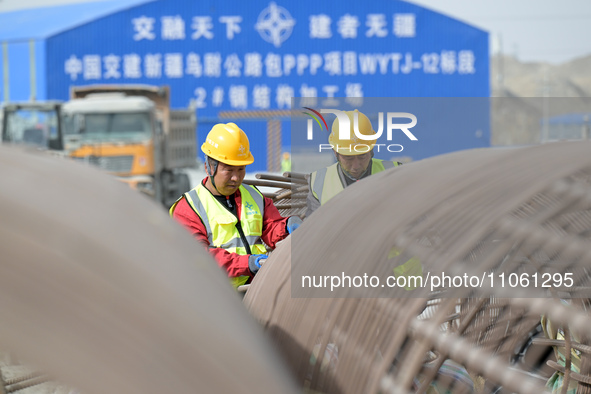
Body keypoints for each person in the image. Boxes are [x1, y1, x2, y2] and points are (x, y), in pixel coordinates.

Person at [170, 122, 302, 288]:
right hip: (216, 297)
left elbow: (271, 227)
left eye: (241, 169)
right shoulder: (188, 208)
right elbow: (198, 256)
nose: (236, 178)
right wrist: (248, 264)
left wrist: (286, 226)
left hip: (254, 289)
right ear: (209, 167)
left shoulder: (253, 196)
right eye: (229, 169)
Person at [306, 109, 402, 217]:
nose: (356, 166)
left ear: (371, 150)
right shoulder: (319, 182)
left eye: (362, 156)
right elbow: (313, 226)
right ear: (335, 152)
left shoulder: (395, 172)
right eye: (348, 158)